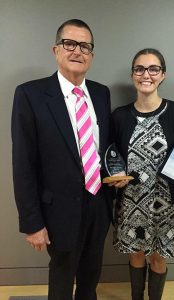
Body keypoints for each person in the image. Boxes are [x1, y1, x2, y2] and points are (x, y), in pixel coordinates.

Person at [11, 19, 114, 300]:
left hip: (98, 202)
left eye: (85, 46)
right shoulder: (30, 95)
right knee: (62, 276)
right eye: (70, 44)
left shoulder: (101, 93)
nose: (77, 51)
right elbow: (23, 164)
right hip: (58, 209)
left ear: (91, 55)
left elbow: (106, 147)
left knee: (91, 275)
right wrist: (32, 222)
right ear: (56, 49)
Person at [110, 48, 174, 300]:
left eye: (153, 69)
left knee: (158, 256)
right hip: (130, 203)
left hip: (165, 204)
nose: (146, 74)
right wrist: (114, 177)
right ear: (133, 74)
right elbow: (111, 156)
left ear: (163, 75)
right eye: (140, 69)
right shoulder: (120, 116)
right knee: (136, 254)